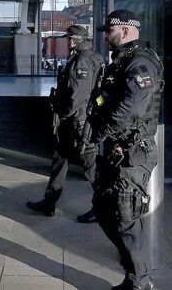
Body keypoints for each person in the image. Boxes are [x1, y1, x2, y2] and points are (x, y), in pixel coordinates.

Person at [87, 10, 164, 290]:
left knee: (125, 216)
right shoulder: (121, 62)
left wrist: (99, 133)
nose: (106, 36)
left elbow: (132, 109)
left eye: (110, 31)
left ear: (126, 30)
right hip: (116, 149)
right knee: (103, 209)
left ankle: (139, 280)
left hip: (134, 152)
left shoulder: (140, 62)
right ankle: (133, 267)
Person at [26, 24, 105, 222]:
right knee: (60, 158)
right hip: (77, 119)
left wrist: (64, 114)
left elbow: (78, 95)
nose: (66, 42)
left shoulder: (81, 60)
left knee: (90, 164)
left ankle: (103, 208)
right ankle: (49, 202)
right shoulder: (92, 56)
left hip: (77, 121)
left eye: (68, 39)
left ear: (74, 41)